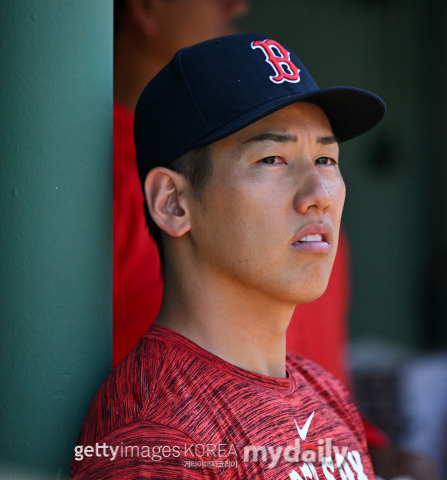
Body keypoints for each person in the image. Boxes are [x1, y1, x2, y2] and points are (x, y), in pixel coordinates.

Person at [70, 33, 386, 478]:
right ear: (173, 203)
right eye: (272, 159)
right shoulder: (157, 439)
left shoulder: (322, 389)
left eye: (327, 159)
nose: (319, 196)